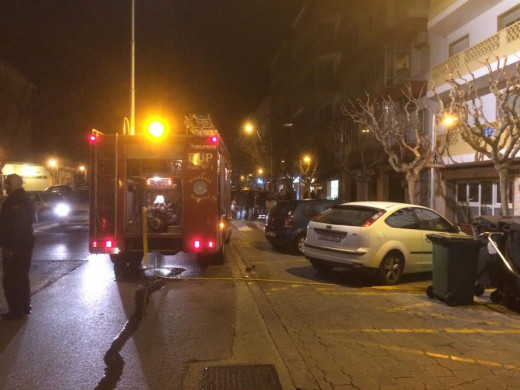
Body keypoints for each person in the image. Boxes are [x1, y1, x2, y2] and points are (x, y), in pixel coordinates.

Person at [0, 174, 35, 320]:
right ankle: (24, 306)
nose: (6, 185)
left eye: (10, 183)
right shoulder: (17, 199)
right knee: (21, 276)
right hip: (22, 243)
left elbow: (15, 227)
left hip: (17, 245)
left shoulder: (18, 201)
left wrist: (9, 247)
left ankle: (16, 310)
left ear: (19, 183)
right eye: (6, 183)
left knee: (11, 277)